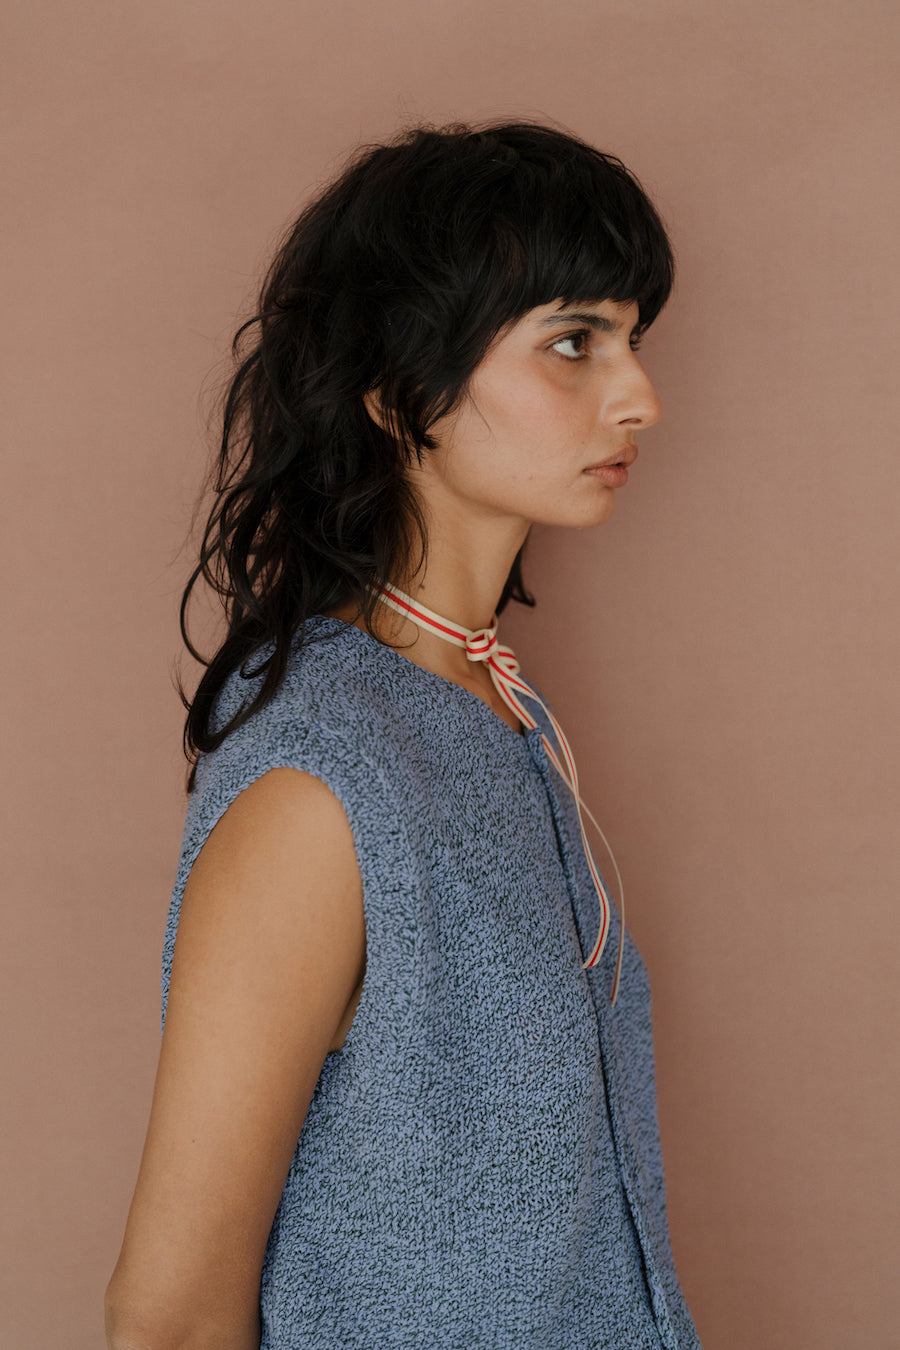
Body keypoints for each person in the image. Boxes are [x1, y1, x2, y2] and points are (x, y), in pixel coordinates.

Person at [105, 119, 703, 1350]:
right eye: (574, 343)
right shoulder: (323, 783)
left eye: (632, 340)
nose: (640, 398)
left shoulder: (499, 714)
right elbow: (169, 1315)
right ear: (395, 389)